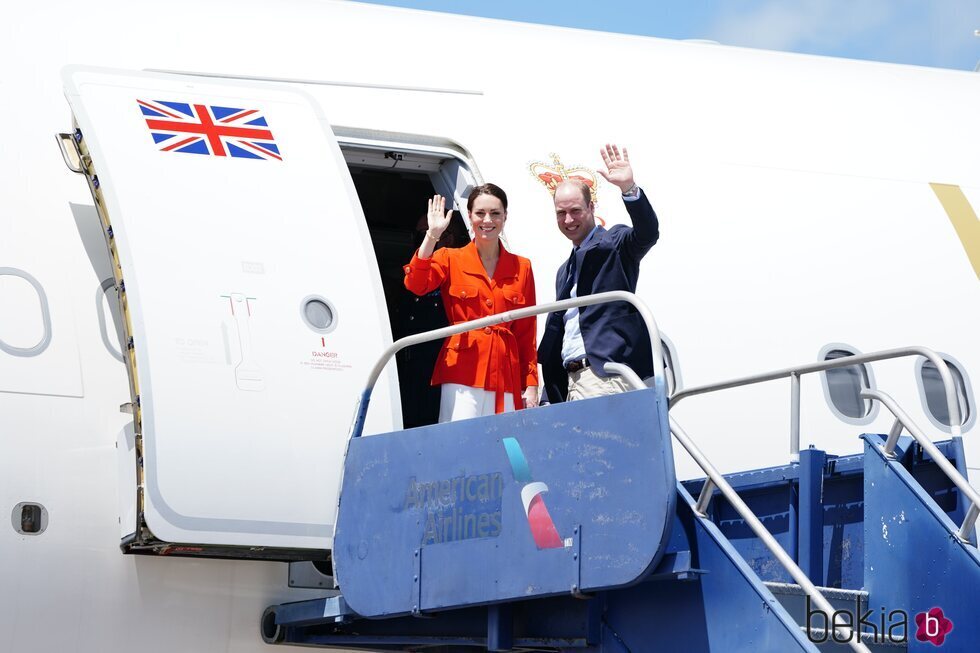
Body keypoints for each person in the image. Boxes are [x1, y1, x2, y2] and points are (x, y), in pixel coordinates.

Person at [403, 184, 539, 422]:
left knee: (502, 448)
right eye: (480, 213)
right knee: (459, 448)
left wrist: (531, 384)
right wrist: (432, 235)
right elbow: (416, 283)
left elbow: (526, 334)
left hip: (505, 373)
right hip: (461, 371)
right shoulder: (450, 258)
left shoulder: (522, 267)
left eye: (495, 213)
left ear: (505, 216)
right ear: (469, 216)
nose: (488, 220)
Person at [537, 144, 660, 403]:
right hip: (572, 381)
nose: (568, 220)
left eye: (575, 211)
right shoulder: (564, 270)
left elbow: (647, 233)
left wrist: (629, 189)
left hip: (604, 374)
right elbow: (563, 330)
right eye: (561, 213)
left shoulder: (614, 243)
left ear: (591, 208)